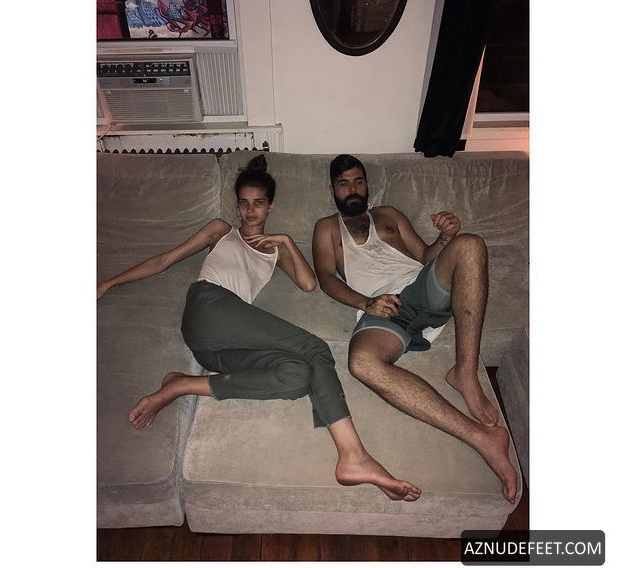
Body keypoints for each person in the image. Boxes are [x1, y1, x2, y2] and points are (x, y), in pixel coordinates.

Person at [97, 154, 420, 502]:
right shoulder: (221, 231)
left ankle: (182, 384)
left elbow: (309, 284)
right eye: (244, 203)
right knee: (315, 349)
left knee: (297, 376)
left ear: (270, 206)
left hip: (214, 350)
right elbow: (165, 260)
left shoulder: (275, 250)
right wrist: (108, 283)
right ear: (237, 206)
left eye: (259, 203)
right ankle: (353, 455)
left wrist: (286, 242)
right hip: (209, 306)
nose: (250, 211)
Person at [312, 154, 518, 503]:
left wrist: (445, 238)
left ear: (367, 184)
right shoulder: (326, 227)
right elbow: (326, 278)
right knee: (361, 363)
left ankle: (465, 372)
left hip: (422, 287)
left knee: (469, 244)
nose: (352, 189)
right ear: (333, 189)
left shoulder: (389, 214)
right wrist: (367, 302)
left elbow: (426, 257)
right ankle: (482, 438)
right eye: (344, 183)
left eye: (358, 181)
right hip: (385, 305)